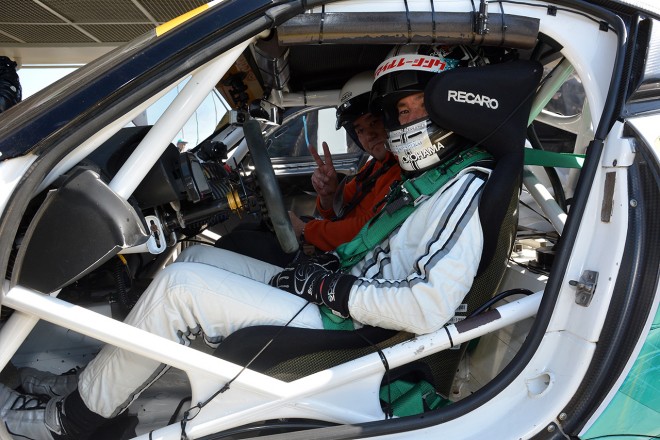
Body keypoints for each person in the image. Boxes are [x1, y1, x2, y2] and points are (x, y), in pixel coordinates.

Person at [1, 45, 492, 439]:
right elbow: (372, 244)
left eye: (408, 111)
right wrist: (323, 270)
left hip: (354, 326)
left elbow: (425, 308)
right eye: (396, 114)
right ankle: (92, 385)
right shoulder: (429, 178)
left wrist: (328, 287)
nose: (398, 127)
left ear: (451, 107)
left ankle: (70, 421)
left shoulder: (462, 186)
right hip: (343, 299)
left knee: (180, 289)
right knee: (196, 256)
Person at [214, 71, 400, 266]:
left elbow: (370, 228)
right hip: (340, 247)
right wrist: (329, 195)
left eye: (374, 122)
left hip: (348, 259)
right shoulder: (375, 166)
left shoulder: (399, 171)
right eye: (360, 130)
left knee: (232, 245)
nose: (369, 135)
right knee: (247, 231)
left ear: (389, 118)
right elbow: (338, 212)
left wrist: (305, 230)